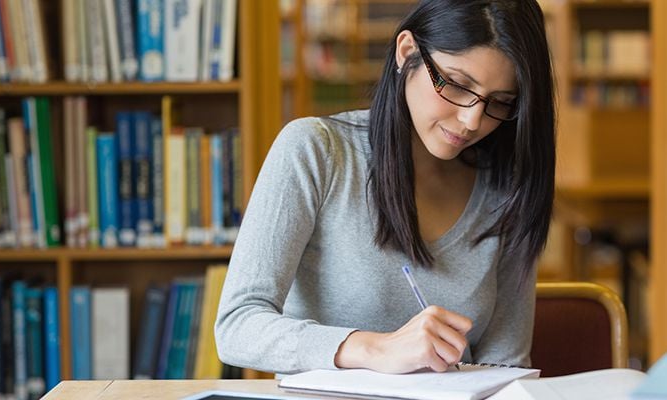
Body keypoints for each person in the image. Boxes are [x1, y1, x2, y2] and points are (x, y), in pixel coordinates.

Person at [215, 0, 555, 375]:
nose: (471, 120)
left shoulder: (506, 188)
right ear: (407, 51)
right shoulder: (316, 151)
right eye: (457, 85)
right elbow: (237, 326)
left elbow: (506, 365)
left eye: (501, 102)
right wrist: (374, 349)